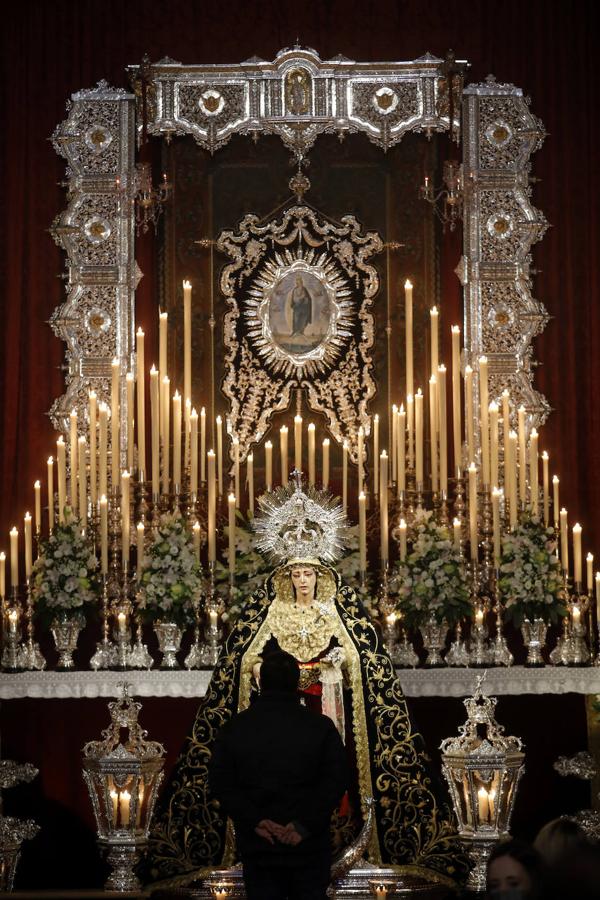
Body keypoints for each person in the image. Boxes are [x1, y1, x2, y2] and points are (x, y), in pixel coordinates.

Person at [142, 481, 470, 890]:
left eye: (309, 573)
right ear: (286, 576)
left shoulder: (335, 612)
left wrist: (335, 664)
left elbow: (360, 657)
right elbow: (245, 658)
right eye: (296, 573)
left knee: (325, 770)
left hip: (325, 707)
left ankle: (334, 823)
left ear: (320, 575)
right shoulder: (271, 612)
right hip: (282, 717)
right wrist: (260, 667)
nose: (302, 580)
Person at [209, 650, 347, 900]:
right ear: (297, 683)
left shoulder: (235, 728)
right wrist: (303, 825)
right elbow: (335, 781)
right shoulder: (321, 727)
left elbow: (221, 782)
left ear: (260, 682)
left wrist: (256, 821)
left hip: (260, 844)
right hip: (307, 845)